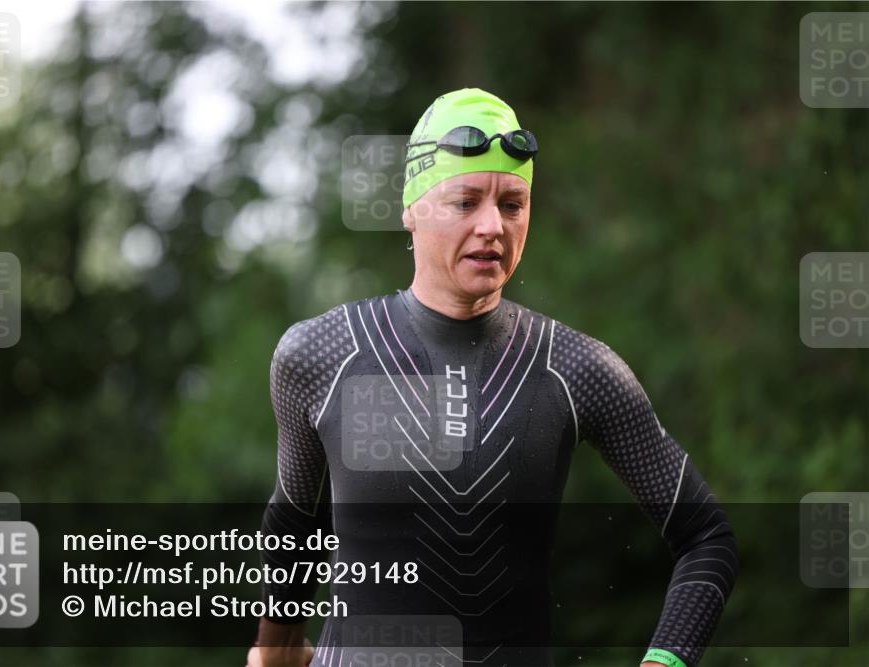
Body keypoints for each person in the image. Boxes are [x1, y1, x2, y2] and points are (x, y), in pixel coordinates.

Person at [248, 88, 738, 667]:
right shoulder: (323, 354)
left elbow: (707, 539)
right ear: (412, 207)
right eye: (465, 201)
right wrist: (273, 652)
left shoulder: (575, 369)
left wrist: (666, 663)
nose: (492, 227)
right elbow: (296, 524)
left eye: (512, 204)